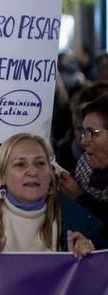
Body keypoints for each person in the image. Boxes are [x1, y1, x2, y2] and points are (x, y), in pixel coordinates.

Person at [0, 133, 103, 259]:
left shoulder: (77, 218)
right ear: (2, 175)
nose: (33, 171)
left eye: (40, 163)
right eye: (20, 164)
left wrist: (91, 257)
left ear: (51, 173)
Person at [59, 97, 108, 233]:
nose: (83, 141)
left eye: (91, 133)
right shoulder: (85, 162)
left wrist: (80, 197)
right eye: (83, 132)